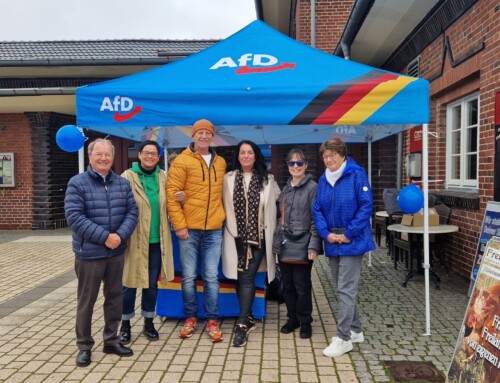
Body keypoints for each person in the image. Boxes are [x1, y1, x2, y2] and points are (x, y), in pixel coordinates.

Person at [64, 138, 138, 368]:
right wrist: (106, 237)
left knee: (115, 298)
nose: (104, 158)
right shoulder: (77, 183)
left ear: (113, 158)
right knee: (87, 301)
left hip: (116, 252)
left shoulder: (122, 183)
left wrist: (120, 236)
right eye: (99, 154)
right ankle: (84, 345)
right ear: (90, 157)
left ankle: (111, 340)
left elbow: (132, 212)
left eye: (108, 155)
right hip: (90, 254)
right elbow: (75, 217)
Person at [312, 138, 375, 358]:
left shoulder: (356, 174)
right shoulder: (323, 179)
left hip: (352, 240)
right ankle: (356, 330)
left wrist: (348, 234)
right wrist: (326, 233)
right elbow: (317, 208)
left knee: (345, 289)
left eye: (332, 155)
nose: (328, 159)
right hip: (332, 240)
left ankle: (343, 338)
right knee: (342, 288)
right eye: (325, 156)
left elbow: (366, 205)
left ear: (342, 155)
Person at [166, 119, 227, 343]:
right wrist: (180, 225)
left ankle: (212, 320)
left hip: (214, 229)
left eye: (207, 133)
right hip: (189, 230)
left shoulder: (220, 162)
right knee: (189, 276)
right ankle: (190, 317)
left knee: (211, 276)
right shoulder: (181, 161)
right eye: (199, 133)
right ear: (193, 136)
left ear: (212, 136)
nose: (203, 136)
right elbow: (172, 195)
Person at [222, 140, 280, 347]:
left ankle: (242, 325)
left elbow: (279, 203)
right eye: (242, 152)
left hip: (258, 239)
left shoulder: (268, 180)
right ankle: (248, 318)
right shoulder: (227, 179)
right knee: (240, 278)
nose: (246, 156)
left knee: (246, 277)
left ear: (256, 156)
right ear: (237, 156)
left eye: (250, 153)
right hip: (234, 237)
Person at [119, 140, 175, 344]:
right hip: (134, 240)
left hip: (156, 241)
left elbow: (171, 203)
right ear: (140, 155)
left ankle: (149, 322)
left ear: (158, 156)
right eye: (146, 153)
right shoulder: (127, 177)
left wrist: (181, 198)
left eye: (154, 153)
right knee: (129, 284)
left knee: (152, 285)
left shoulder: (163, 176)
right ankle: (125, 325)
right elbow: (120, 207)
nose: (150, 156)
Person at [276, 149, 321, 339]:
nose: (296, 167)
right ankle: (292, 318)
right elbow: (279, 218)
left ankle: (305, 321)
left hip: (303, 244)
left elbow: (316, 219)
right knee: (287, 286)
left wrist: (313, 246)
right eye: (292, 163)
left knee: (302, 285)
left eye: (299, 163)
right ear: (287, 165)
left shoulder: (313, 188)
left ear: (305, 165)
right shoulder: (284, 190)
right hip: (285, 244)